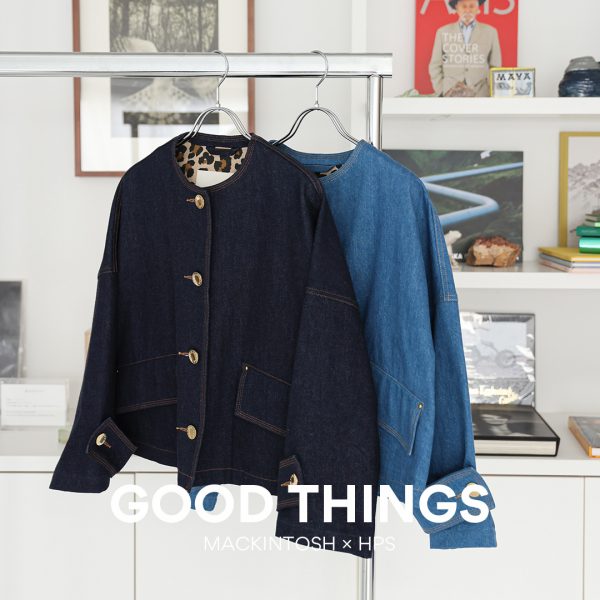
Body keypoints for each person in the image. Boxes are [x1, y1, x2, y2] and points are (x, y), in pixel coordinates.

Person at [429, 0, 502, 97]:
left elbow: (495, 66)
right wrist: (441, 91)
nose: (468, 10)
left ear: (477, 9)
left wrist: (490, 90)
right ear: (456, 8)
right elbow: (435, 65)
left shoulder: (491, 32)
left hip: (481, 93)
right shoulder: (442, 32)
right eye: (464, 6)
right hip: (450, 94)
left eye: (471, 6)